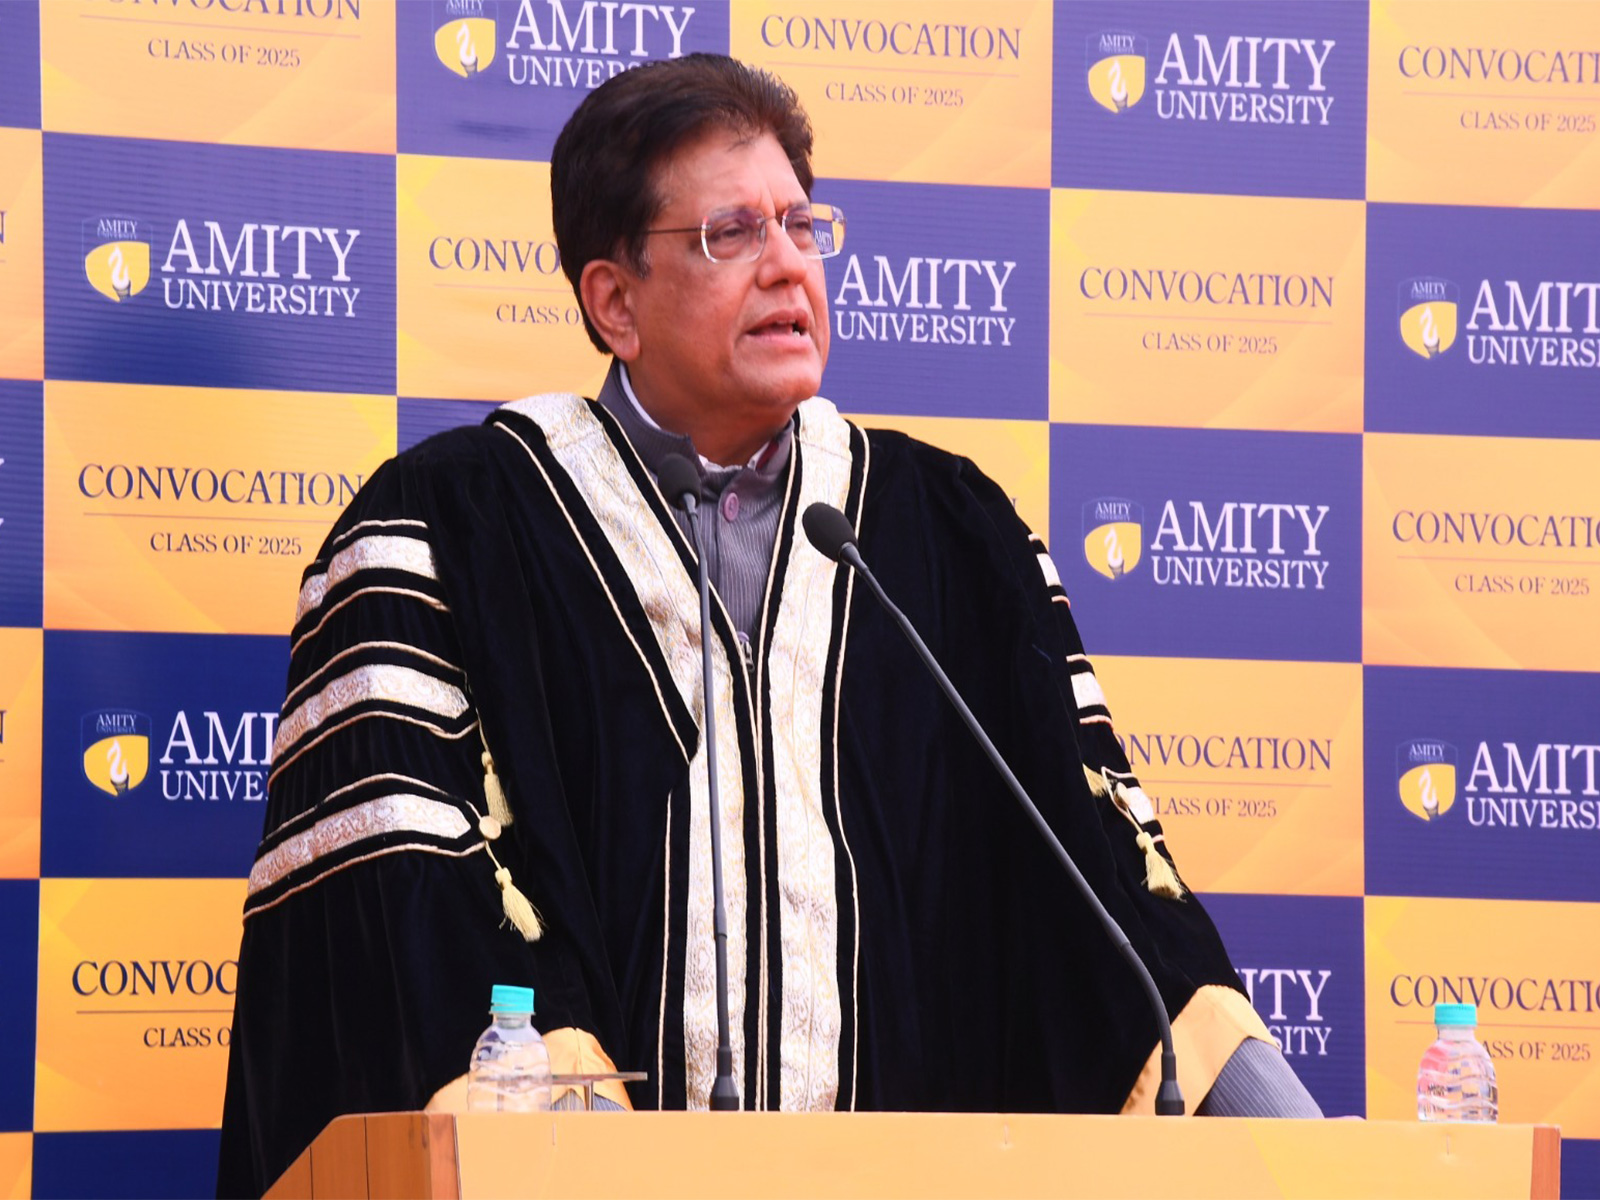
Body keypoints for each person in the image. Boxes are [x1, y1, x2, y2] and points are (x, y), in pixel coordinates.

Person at [217, 53, 1317, 1199]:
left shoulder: (949, 535)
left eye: (801, 224)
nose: (788, 262)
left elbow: (1110, 900)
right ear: (614, 301)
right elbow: (402, 915)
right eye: (730, 233)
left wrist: (1301, 1156)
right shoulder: (447, 530)